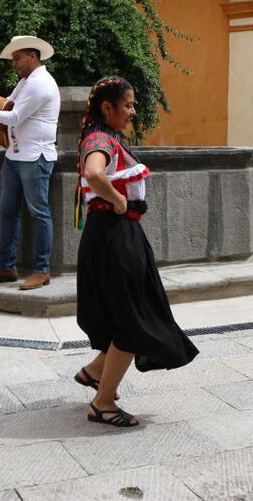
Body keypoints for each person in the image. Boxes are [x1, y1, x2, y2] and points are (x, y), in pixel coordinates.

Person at [75, 76, 198, 427]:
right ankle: (102, 404)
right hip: (115, 235)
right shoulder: (100, 138)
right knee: (133, 319)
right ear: (107, 108)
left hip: (119, 235)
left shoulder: (109, 137)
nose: (132, 111)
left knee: (131, 313)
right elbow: (95, 173)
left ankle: (96, 372)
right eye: (127, 105)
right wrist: (117, 200)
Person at [0, 35, 60, 291]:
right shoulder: (26, 82)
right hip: (16, 154)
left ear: (32, 56)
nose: (14, 63)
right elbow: (9, 104)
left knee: (39, 212)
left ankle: (42, 270)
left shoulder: (40, 83)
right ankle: (7, 267)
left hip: (35, 155)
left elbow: (15, 115)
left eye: (17, 57)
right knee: (8, 211)